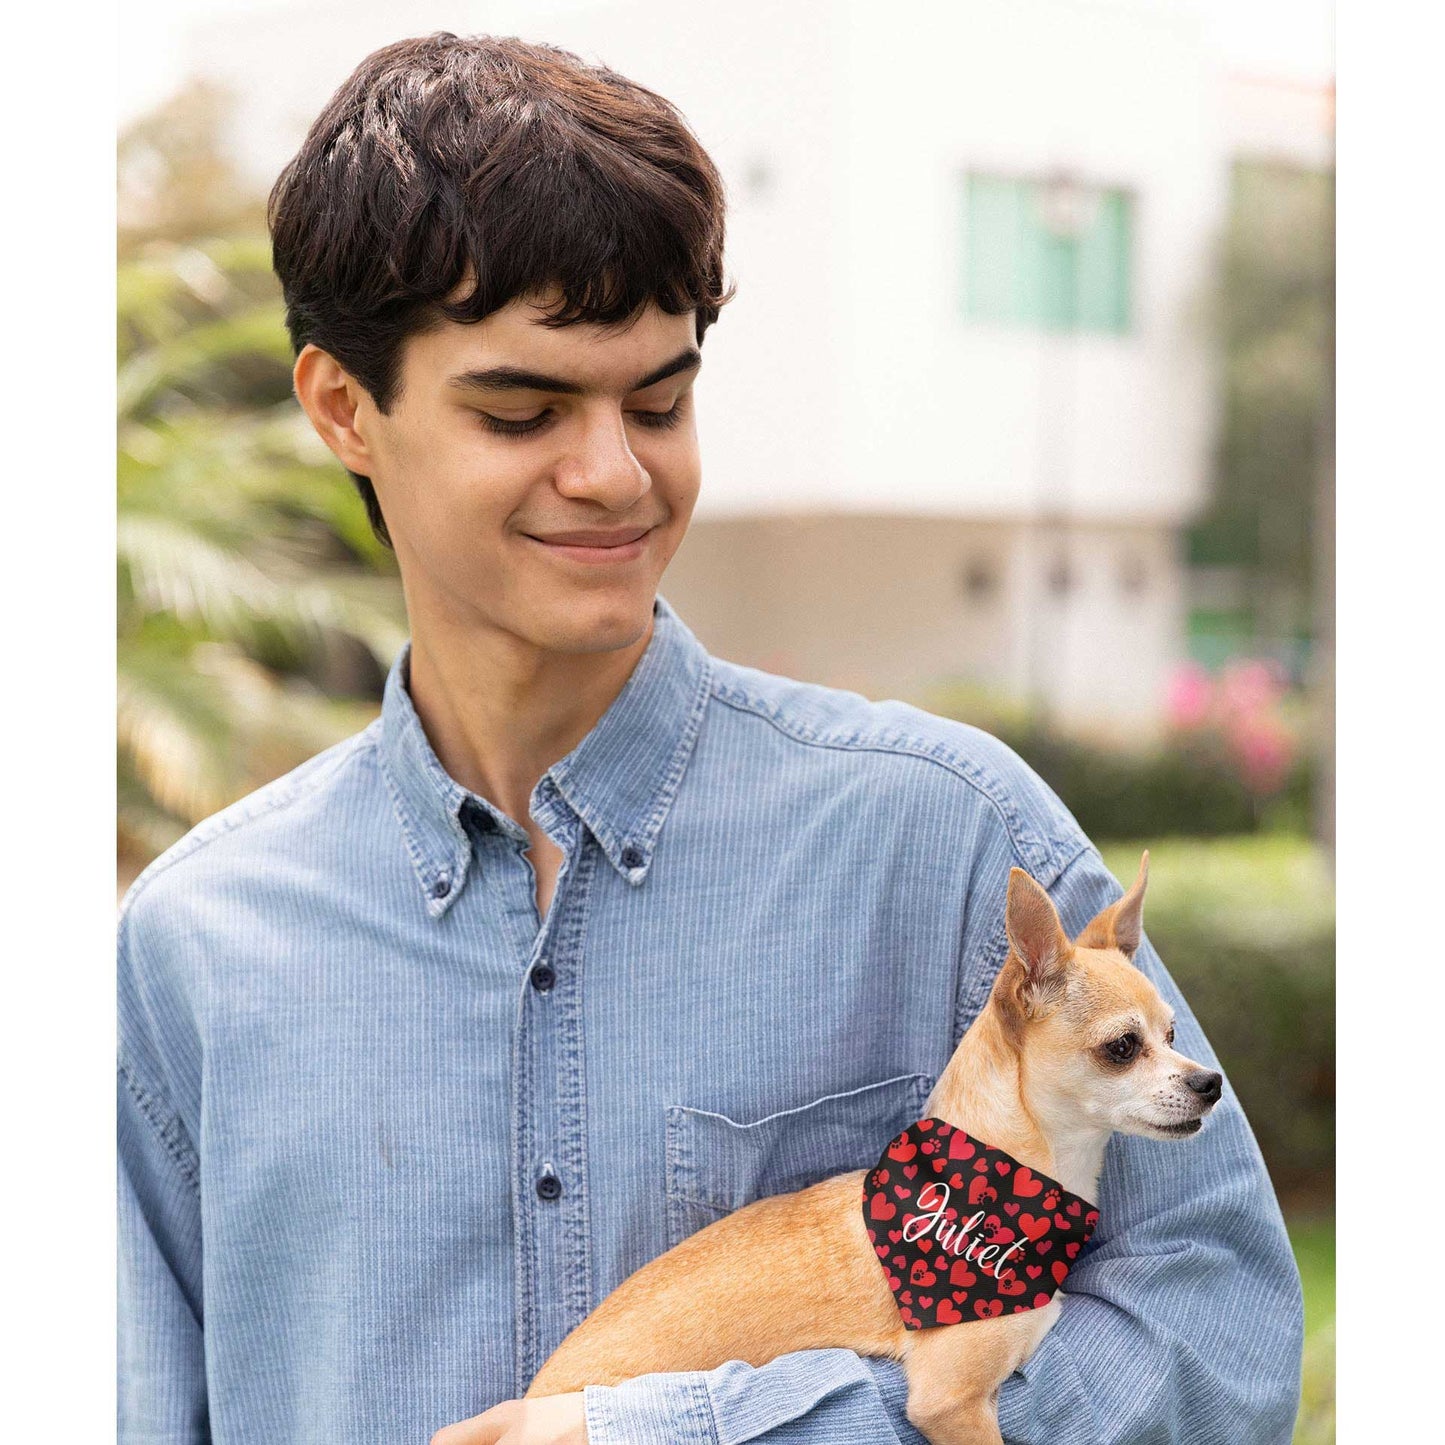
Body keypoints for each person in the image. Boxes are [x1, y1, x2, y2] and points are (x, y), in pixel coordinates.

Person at [117, 31, 1304, 1445]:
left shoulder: (937, 845)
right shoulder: (193, 949)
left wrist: (726, 1429)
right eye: (523, 408)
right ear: (341, 408)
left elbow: (1211, 1335)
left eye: (660, 400)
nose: (615, 471)